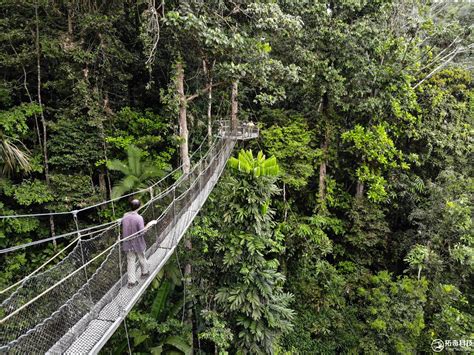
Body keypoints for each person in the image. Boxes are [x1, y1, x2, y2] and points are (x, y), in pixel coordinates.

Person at [121, 199, 156, 288]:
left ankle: (131, 282)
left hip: (128, 244)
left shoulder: (125, 216)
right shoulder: (139, 218)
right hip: (138, 243)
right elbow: (142, 232)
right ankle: (144, 273)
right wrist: (150, 223)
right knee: (142, 258)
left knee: (130, 262)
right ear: (139, 207)